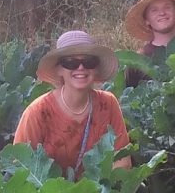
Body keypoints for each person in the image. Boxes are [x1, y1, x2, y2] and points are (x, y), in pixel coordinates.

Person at [14, 30, 131, 178]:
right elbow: (19, 164)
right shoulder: (38, 111)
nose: (80, 68)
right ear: (59, 70)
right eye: (71, 63)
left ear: (96, 68)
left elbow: (123, 160)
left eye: (88, 62)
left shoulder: (108, 103)